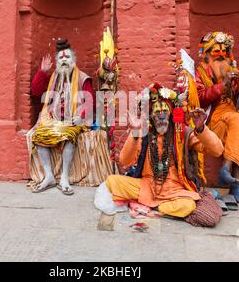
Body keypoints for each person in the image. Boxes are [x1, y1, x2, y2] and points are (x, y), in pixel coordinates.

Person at [95, 82, 224, 218]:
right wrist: (135, 131)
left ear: (171, 115)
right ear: (151, 116)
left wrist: (201, 129)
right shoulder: (144, 133)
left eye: (165, 111)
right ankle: (160, 206)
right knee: (112, 181)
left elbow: (218, 150)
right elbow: (124, 161)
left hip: (174, 189)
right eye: (157, 112)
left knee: (188, 205)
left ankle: (156, 206)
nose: (161, 116)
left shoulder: (183, 134)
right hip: (147, 187)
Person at [195, 32, 239, 205]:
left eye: (224, 53)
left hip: (234, 116)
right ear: (207, 55)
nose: (221, 56)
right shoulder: (199, 73)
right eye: (216, 53)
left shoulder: (234, 71)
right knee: (238, 122)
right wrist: (223, 85)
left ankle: (226, 170)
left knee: (238, 124)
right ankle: (235, 187)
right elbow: (200, 98)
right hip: (213, 118)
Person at [29, 38, 94, 195]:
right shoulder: (53, 78)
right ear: (57, 61)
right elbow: (36, 92)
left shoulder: (83, 78)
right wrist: (42, 72)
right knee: (38, 136)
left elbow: (90, 101)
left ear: (74, 60)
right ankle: (49, 176)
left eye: (67, 57)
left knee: (68, 136)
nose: (64, 60)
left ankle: (64, 177)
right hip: (54, 119)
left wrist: (82, 116)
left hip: (73, 120)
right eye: (61, 58)